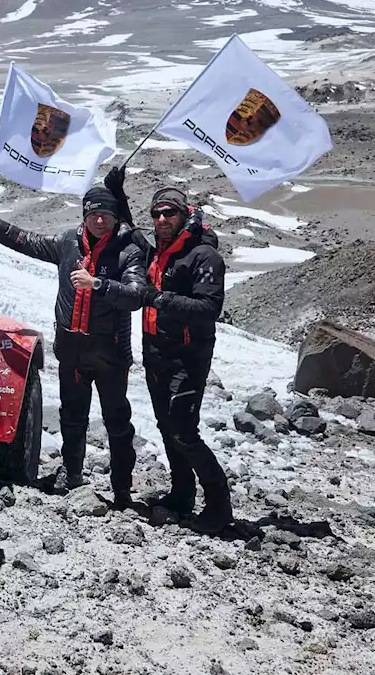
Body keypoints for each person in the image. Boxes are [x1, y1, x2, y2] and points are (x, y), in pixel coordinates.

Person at [0, 185, 149, 507]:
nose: (99, 220)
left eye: (105, 214)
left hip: (110, 354)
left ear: (114, 216)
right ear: (85, 215)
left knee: (117, 422)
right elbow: (28, 242)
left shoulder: (128, 250)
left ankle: (122, 490)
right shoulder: (69, 242)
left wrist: (98, 284)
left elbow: (136, 295)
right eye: (93, 214)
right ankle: (74, 477)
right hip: (73, 351)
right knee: (72, 417)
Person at [123, 178, 233, 534]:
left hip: (188, 356)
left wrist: (159, 299)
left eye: (169, 213)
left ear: (184, 215)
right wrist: (117, 192)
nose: (161, 219)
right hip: (157, 353)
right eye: (156, 214)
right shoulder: (158, 249)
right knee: (166, 426)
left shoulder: (203, 256)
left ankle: (219, 504)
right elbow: (129, 232)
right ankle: (182, 494)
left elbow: (209, 307)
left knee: (184, 430)